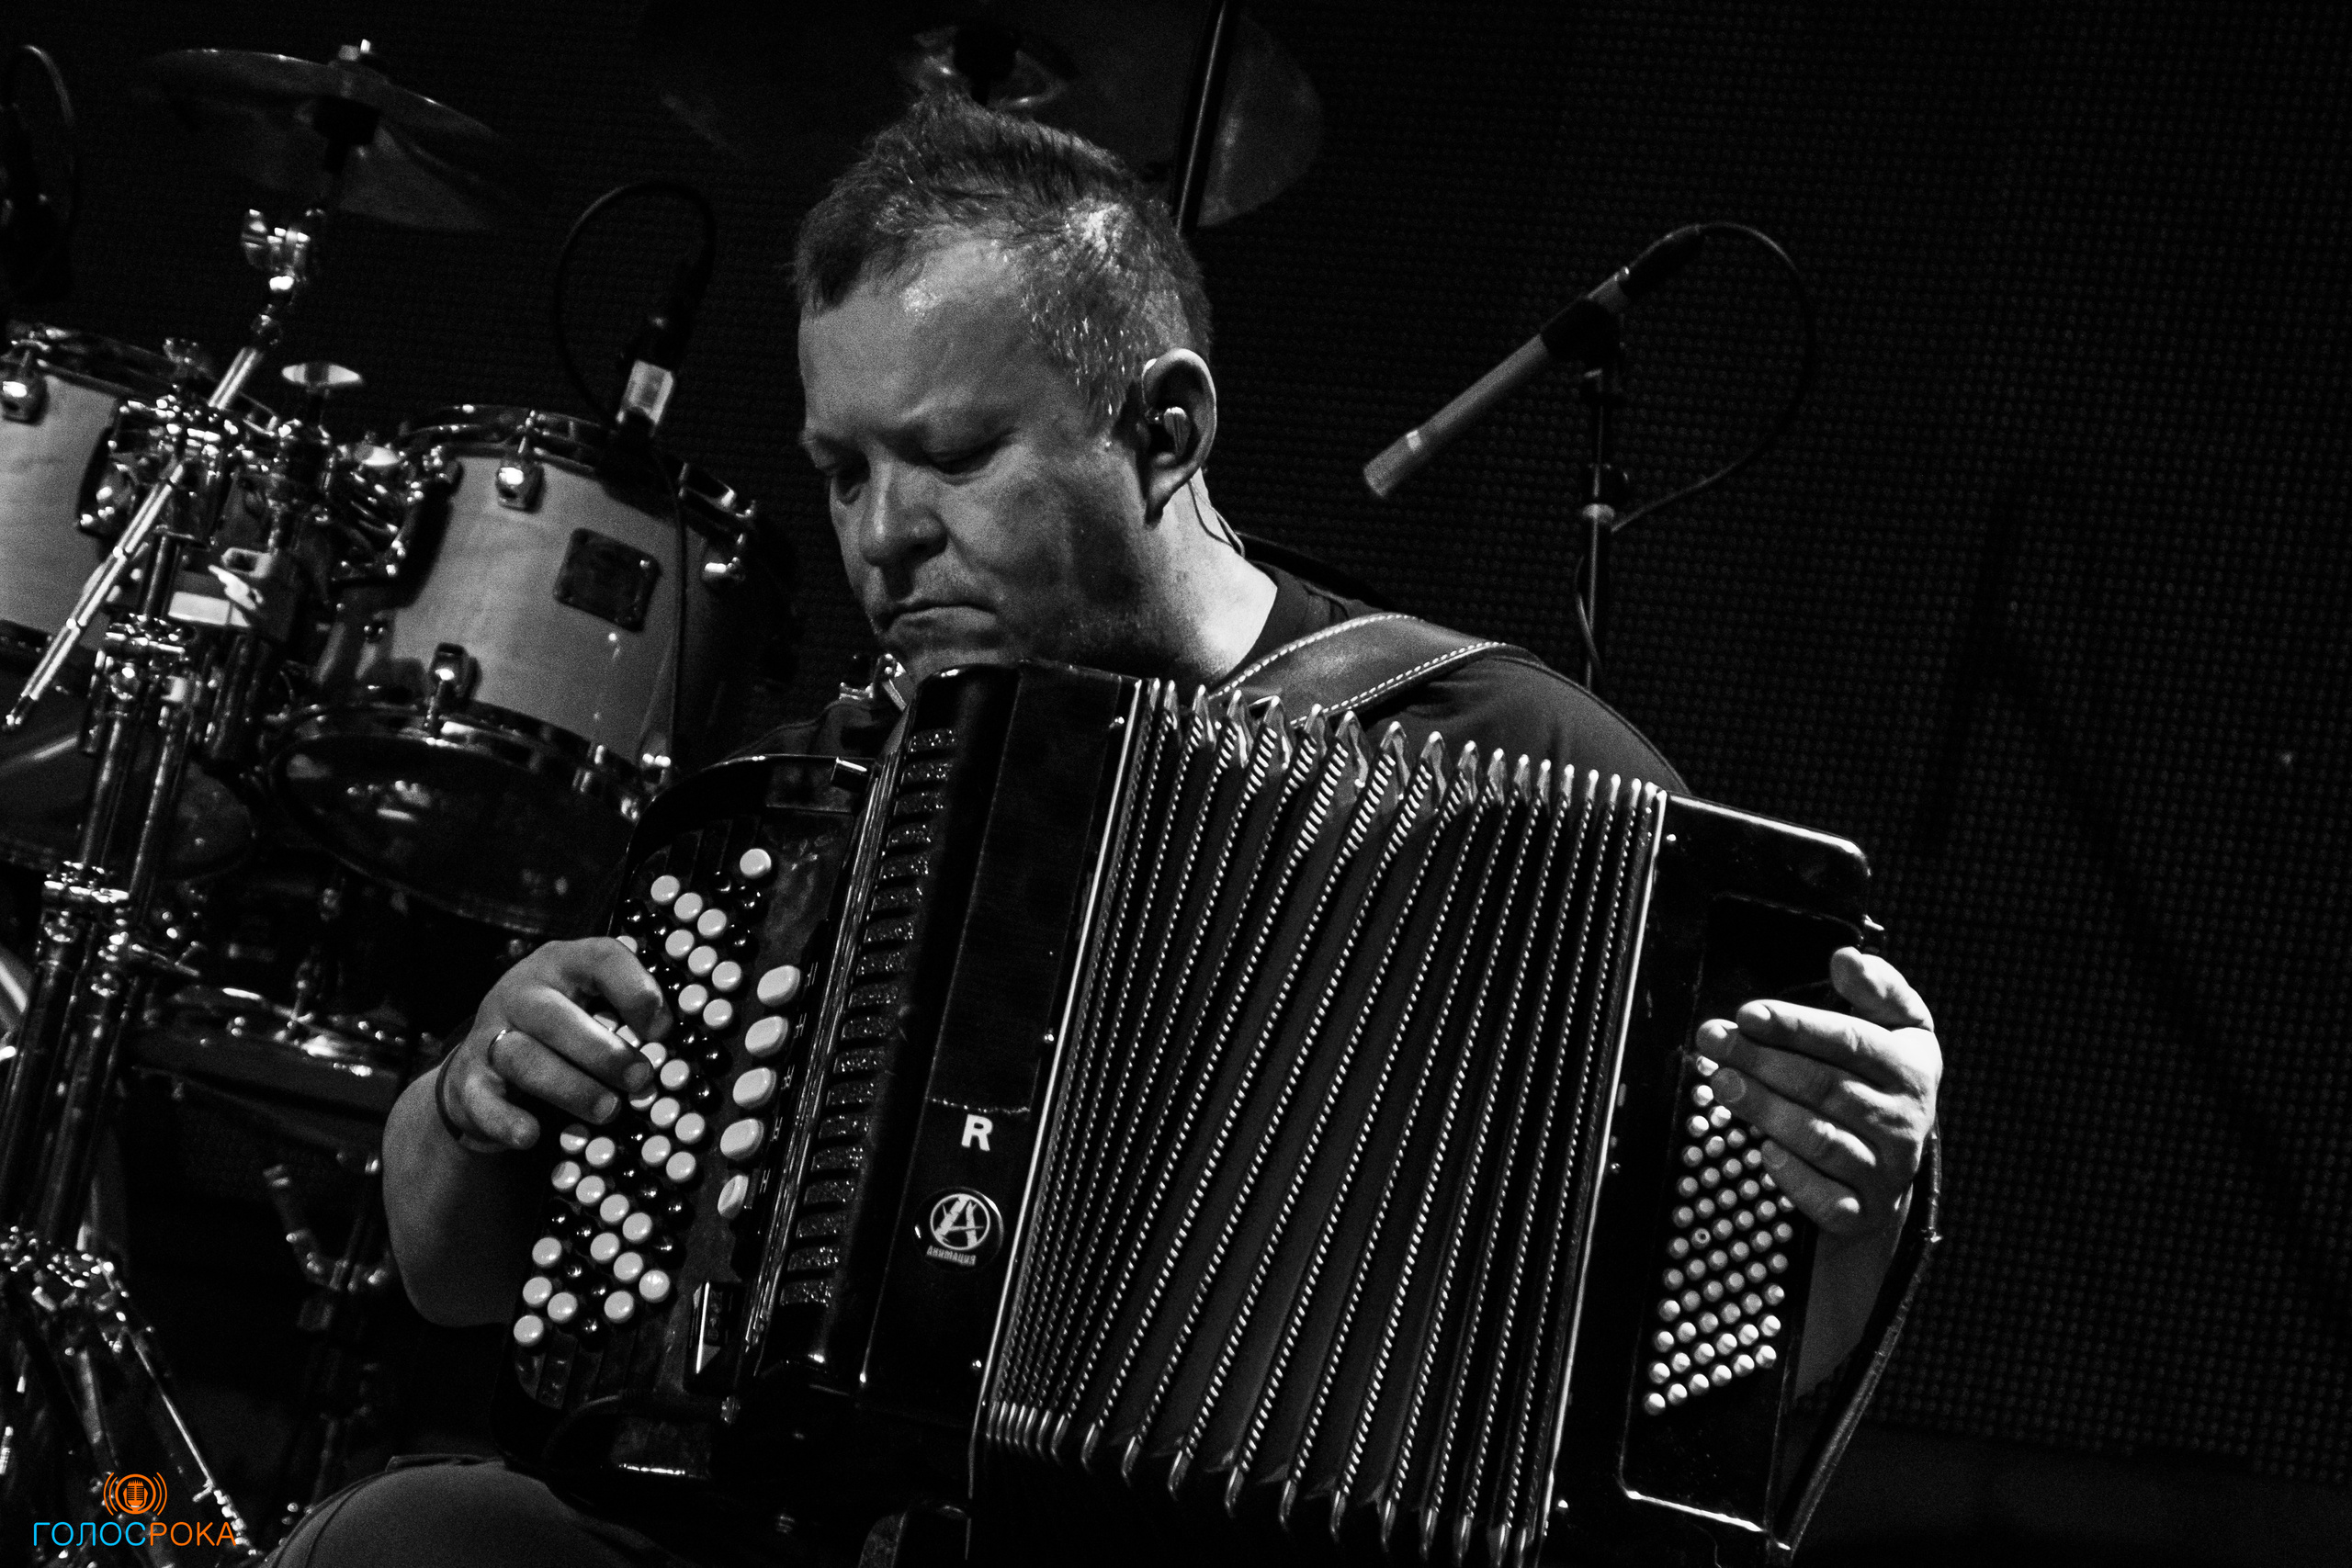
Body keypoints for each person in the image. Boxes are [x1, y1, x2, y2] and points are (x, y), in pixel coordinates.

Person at [277, 96, 1940, 1567]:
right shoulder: (821, 808)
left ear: (1166, 429)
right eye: (840, 471)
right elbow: (453, 1278)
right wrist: (473, 1095)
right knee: (412, 1539)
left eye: (948, 457)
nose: (881, 538)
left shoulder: (1523, 774)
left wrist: (1851, 1193)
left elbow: (1727, 1387)